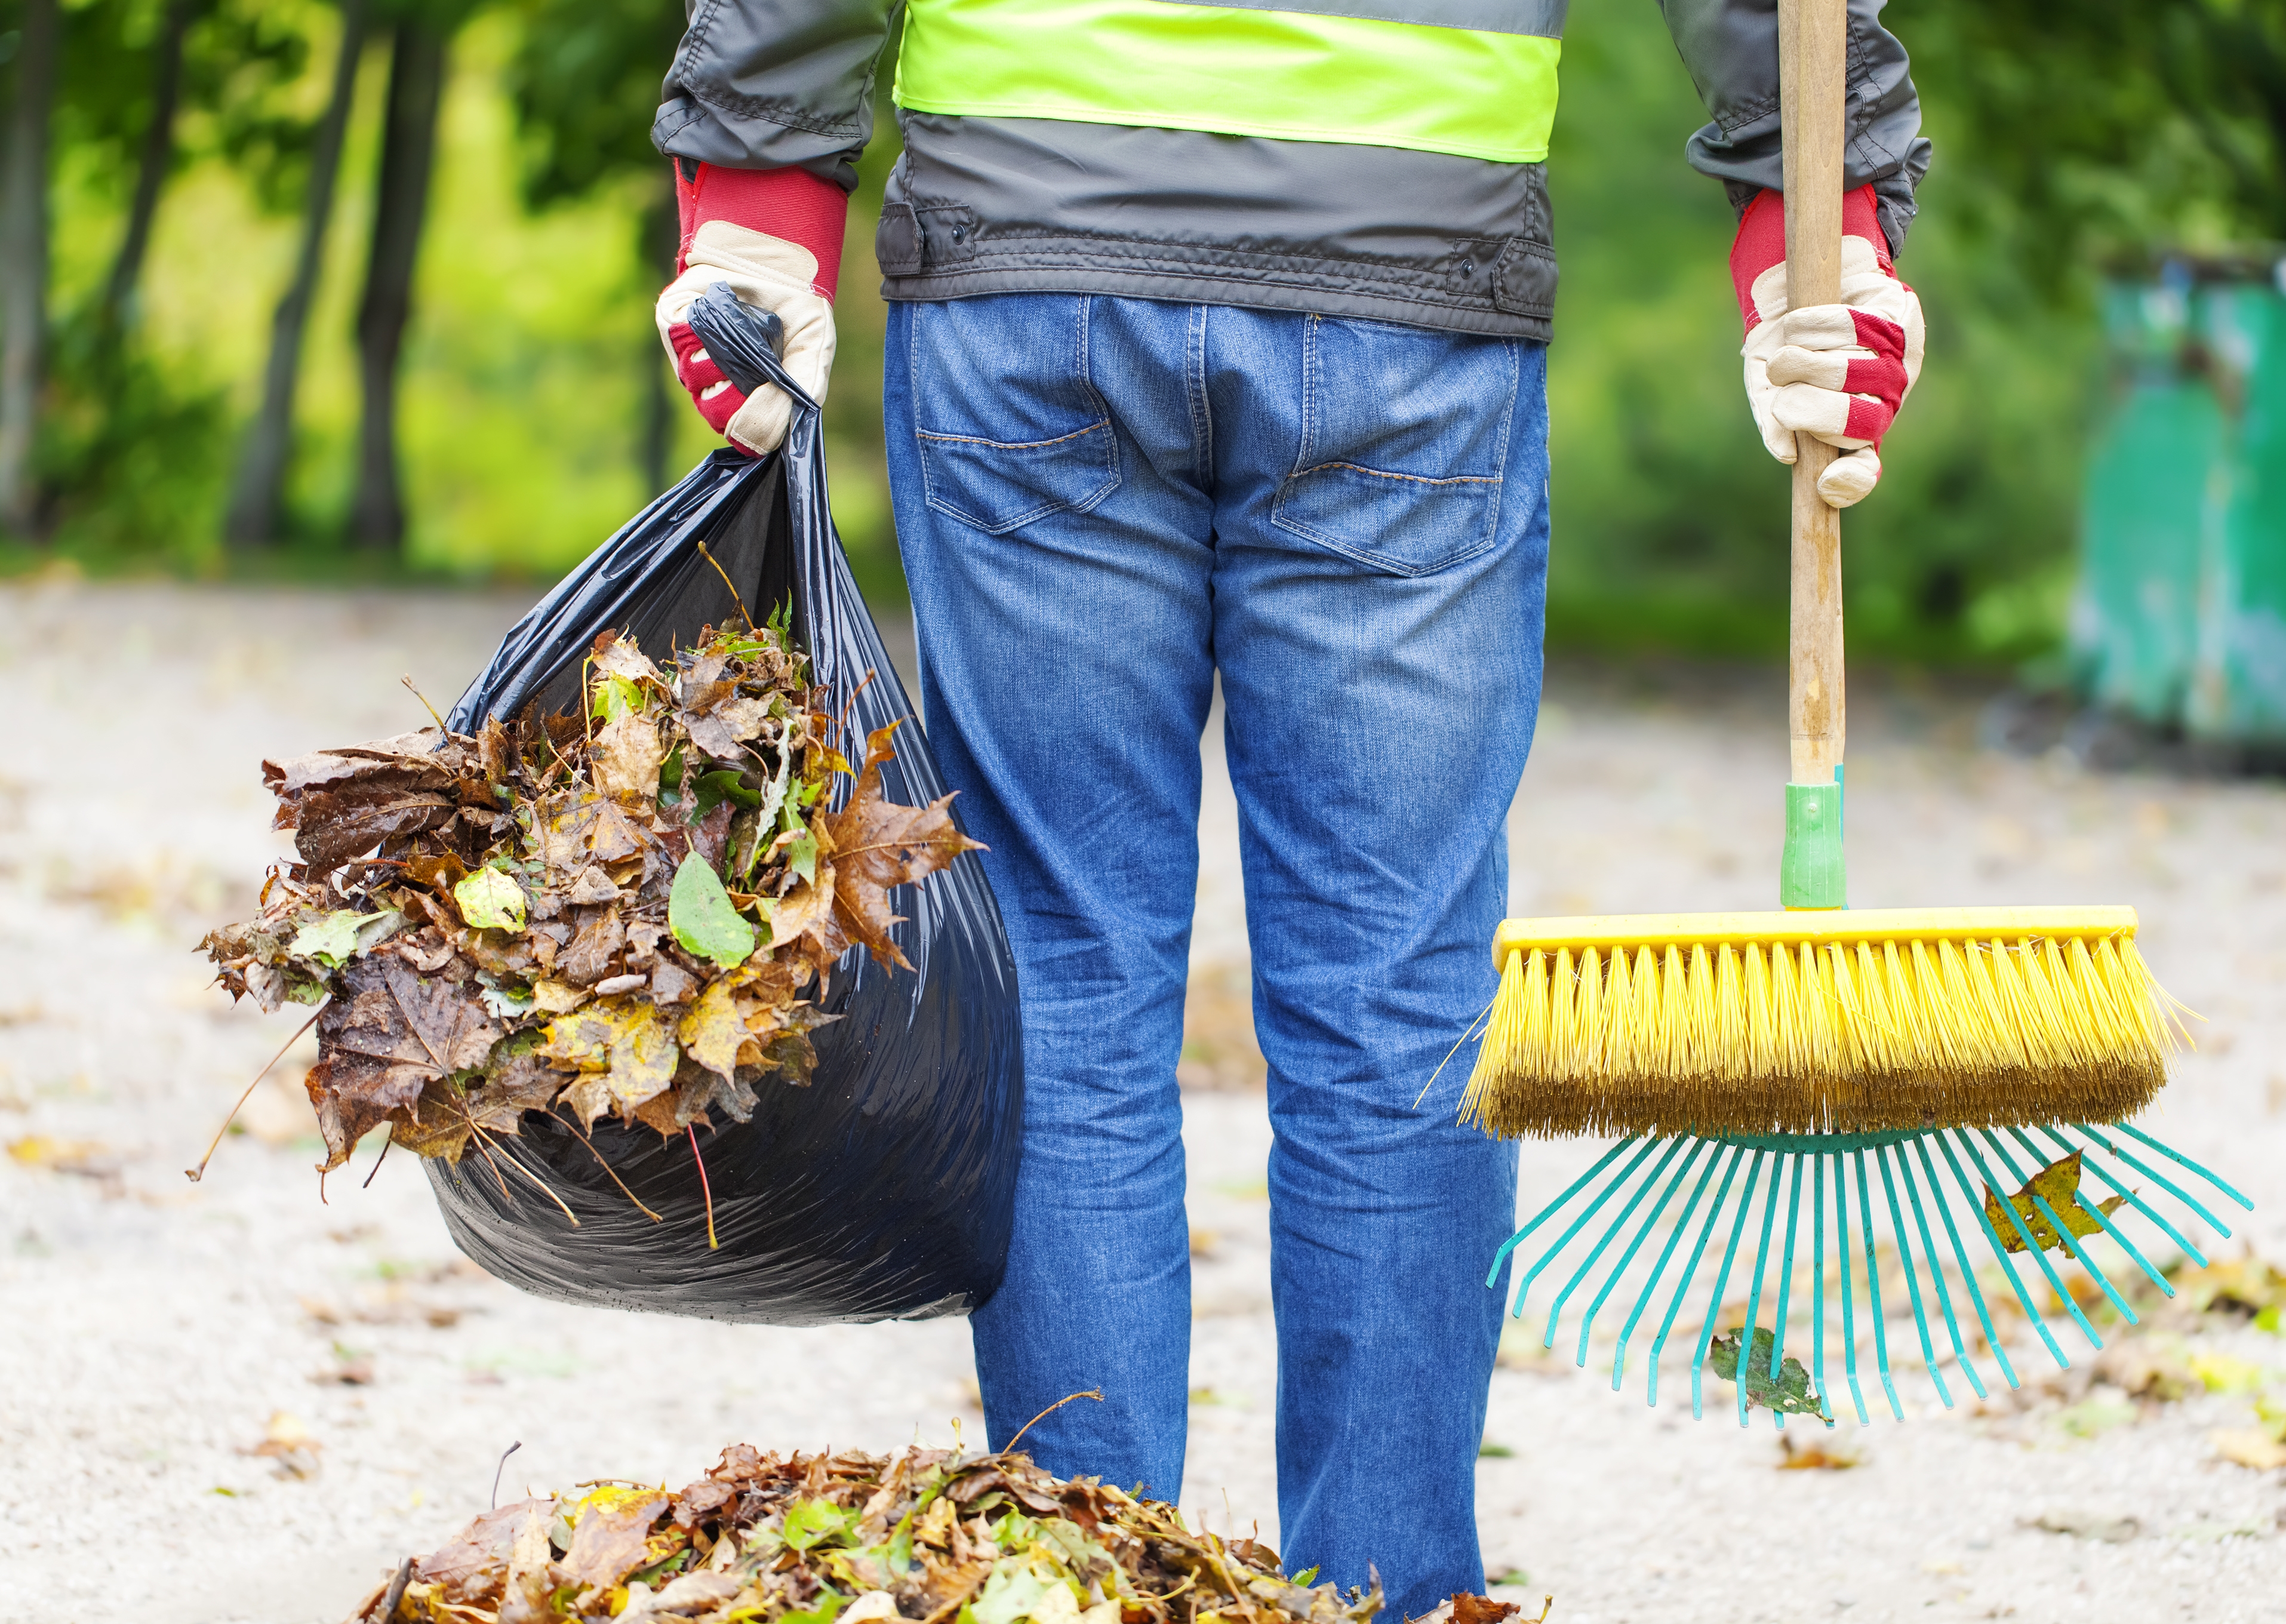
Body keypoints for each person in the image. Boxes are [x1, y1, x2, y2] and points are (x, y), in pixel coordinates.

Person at [650, 1, 1928, 1612]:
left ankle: (1087, 1586)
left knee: (1058, 963)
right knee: (1399, 993)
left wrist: (756, 204)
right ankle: (1388, 1598)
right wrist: (1821, 228)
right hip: (1411, 282)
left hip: (1035, 259)